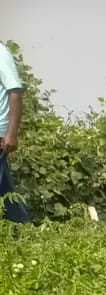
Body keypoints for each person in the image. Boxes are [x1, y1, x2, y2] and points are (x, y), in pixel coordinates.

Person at [0, 40, 29, 223]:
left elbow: (15, 93)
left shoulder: (1, 53)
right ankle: (23, 227)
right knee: (6, 192)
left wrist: (11, 134)